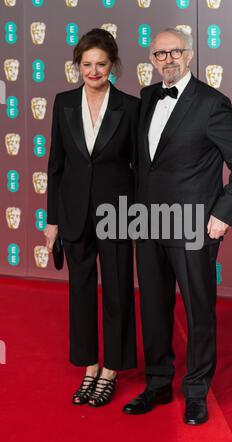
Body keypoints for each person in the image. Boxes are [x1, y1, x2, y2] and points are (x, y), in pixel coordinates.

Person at [123, 28, 232, 424]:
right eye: (159, 53)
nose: (167, 59)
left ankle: (196, 391)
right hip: (148, 223)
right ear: (151, 59)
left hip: (194, 226)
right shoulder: (147, 97)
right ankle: (159, 383)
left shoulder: (212, 104)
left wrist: (220, 216)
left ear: (190, 54)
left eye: (175, 52)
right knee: (154, 307)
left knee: (199, 310)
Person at [44, 28, 138, 408]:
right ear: (77, 66)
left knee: (117, 291)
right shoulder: (63, 102)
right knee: (80, 293)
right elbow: (56, 166)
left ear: (113, 65)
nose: (94, 71)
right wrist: (52, 221)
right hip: (73, 214)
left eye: (101, 64)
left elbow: (139, 168)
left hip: (116, 214)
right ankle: (90, 366)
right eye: (87, 64)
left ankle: (112, 368)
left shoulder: (129, 106)